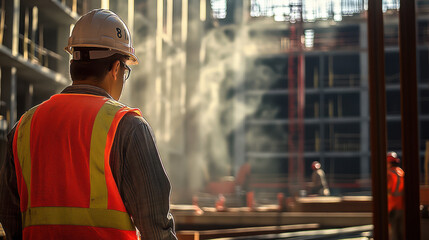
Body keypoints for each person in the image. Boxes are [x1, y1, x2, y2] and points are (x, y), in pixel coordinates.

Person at [0, 9, 177, 240]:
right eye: (125, 71)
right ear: (115, 69)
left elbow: (10, 218)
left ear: (73, 62)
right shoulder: (128, 127)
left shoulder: (23, 128)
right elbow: (156, 229)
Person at [387, 151, 404, 240]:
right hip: (402, 207)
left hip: (392, 208)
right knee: (401, 233)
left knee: (393, 234)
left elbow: (387, 191)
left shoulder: (389, 174)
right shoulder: (401, 172)